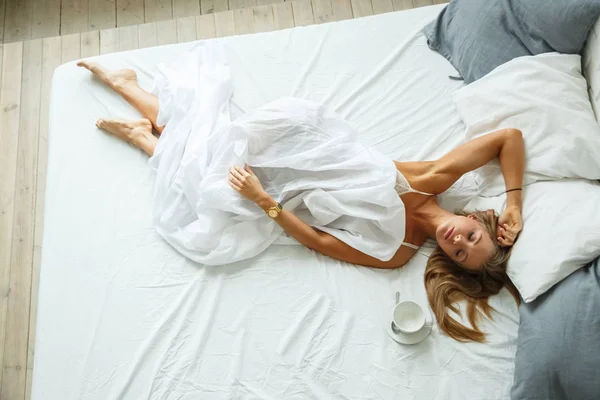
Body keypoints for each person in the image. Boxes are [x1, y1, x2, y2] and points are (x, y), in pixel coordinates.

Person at [77, 44, 523, 342]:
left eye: (461, 255)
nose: (458, 242)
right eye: (472, 237)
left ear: (448, 263)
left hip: (286, 191)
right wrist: (515, 202)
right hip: (306, 140)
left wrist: (262, 201)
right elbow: (508, 138)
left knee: (211, 194)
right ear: (476, 220)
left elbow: (319, 241)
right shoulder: (433, 180)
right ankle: (130, 98)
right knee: (213, 154)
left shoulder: (400, 253)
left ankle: (143, 129)